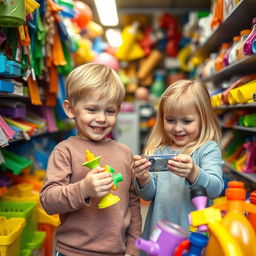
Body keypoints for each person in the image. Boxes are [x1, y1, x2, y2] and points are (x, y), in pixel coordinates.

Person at [40, 63, 142, 256]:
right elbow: (48, 201)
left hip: (117, 252)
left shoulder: (125, 153)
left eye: (110, 111)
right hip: (71, 252)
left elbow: (133, 204)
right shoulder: (65, 151)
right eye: (92, 109)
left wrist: (133, 248)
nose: (102, 118)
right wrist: (83, 189)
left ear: (118, 111)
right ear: (71, 110)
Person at [132, 80, 224, 240]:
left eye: (187, 121)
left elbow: (215, 189)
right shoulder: (158, 150)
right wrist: (143, 178)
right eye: (170, 120)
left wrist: (193, 172)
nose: (177, 128)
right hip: (159, 236)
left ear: (203, 119)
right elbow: (148, 195)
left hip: (193, 238)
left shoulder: (207, 149)